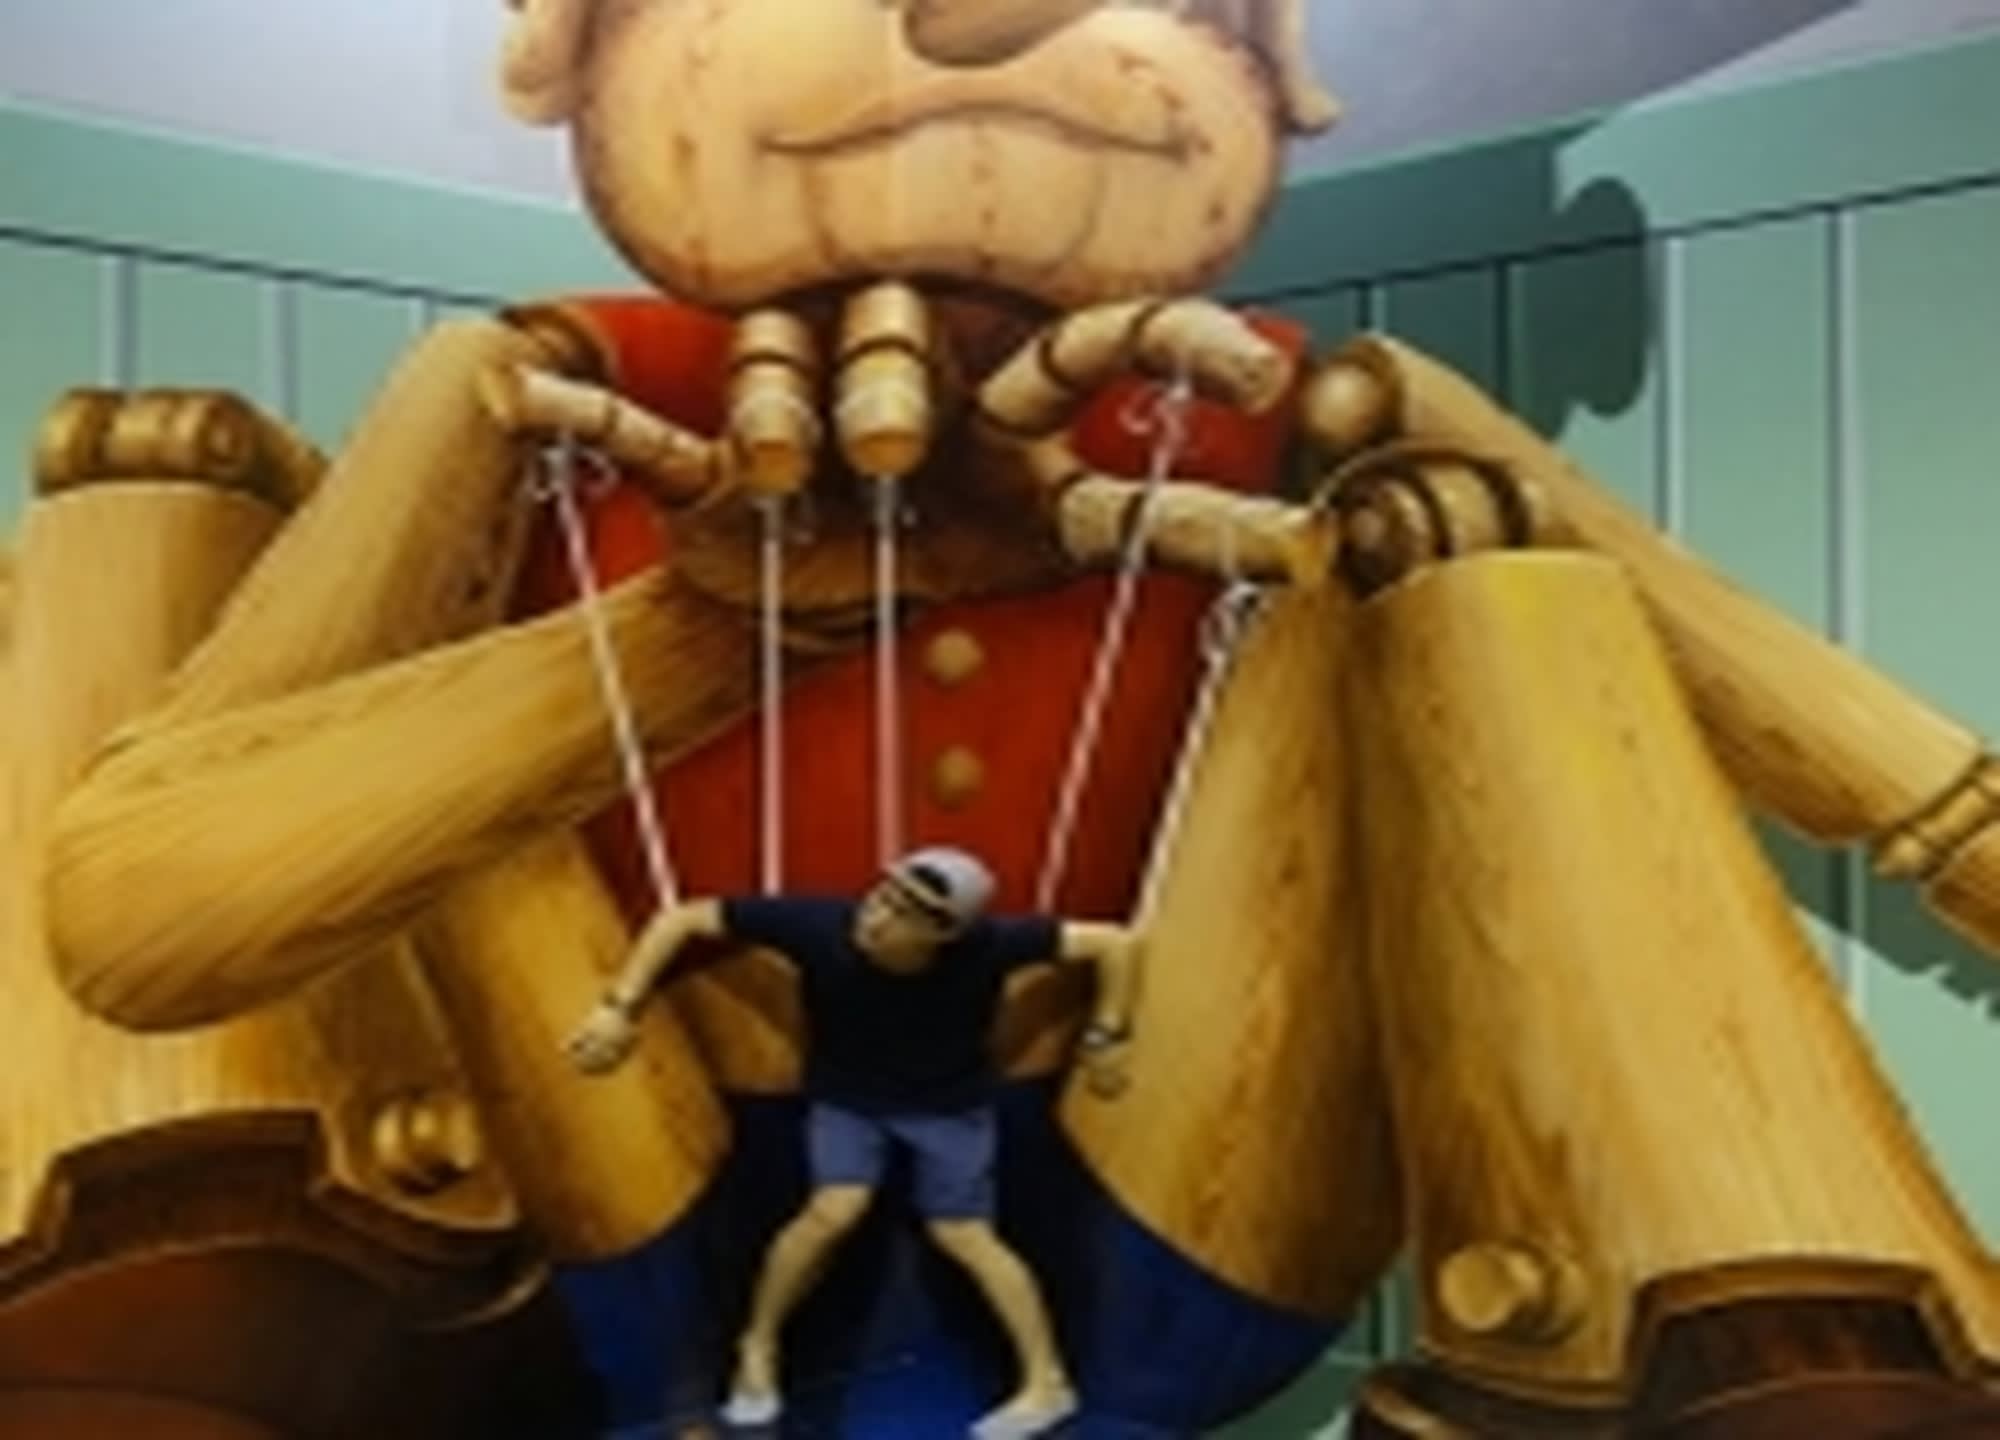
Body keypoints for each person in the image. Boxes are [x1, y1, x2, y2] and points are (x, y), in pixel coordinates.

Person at [566, 846, 1140, 1439]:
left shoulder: (990, 946)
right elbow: (685, 918)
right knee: (832, 1211)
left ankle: (1048, 1382)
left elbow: (1115, 944)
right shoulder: (820, 926)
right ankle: (757, 1349)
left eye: (907, 913)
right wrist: (620, 1008)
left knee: (965, 1234)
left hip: (950, 1106)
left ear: (945, 934)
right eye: (882, 896)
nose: (879, 918)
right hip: (850, 1101)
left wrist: (1108, 1035)